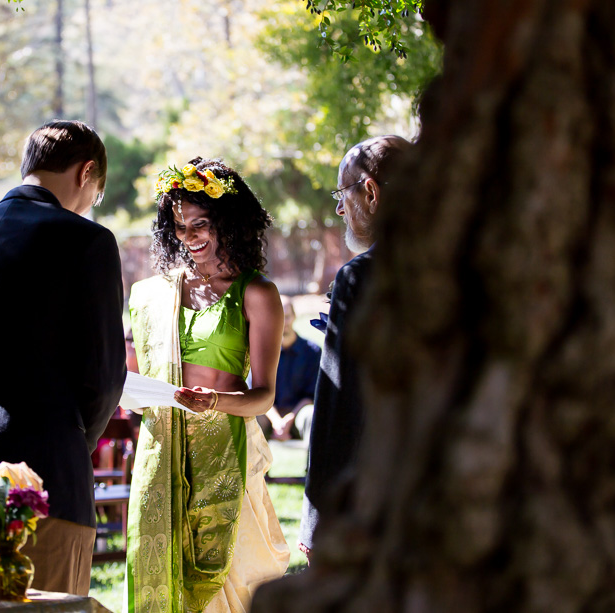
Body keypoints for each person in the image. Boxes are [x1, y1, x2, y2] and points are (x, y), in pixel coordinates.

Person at [0, 120, 126, 596]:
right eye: (95, 193)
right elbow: (102, 379)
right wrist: (74, 440)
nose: (90, 203)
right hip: (46, 482)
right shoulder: (88, 242)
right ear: (87, 172)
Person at [125, 158, 290, 613]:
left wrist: (214, 400)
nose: (189, 237)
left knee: (234, 579)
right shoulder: (157, 294)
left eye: (201, 224)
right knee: (164, 568)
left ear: (230, 224)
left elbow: (265, 396)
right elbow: (138, 367)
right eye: (179, 227)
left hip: (226, 448)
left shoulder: (256, 294)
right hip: (163, 446)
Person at [297, 135, 410, 563]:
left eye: (342, 195)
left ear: (370, 191)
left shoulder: (362, 277)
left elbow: (338, 408)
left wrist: (316, 518)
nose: (340, 210)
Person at [257, 295, 320, 441]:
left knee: (311, 415)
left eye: (288, 316)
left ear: (295, 317)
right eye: (278, 317)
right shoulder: (261, 351)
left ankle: (313, 464)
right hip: (268, 413)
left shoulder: (312, 351)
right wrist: (277, 421)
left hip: (298, 413)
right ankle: (249, 465)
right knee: (248, 419)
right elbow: (258, 392)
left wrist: (289, 420)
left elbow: (311, 395)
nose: (284, 322)